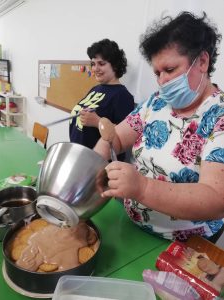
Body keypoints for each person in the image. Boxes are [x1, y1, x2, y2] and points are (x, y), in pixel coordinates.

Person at [94, 11, 224, 242]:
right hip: (132, 226)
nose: (162, 81)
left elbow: (215, 199)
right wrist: (92, 164)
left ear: (202, 61)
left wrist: (142, 188)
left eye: (170, 70)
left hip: (184, 245)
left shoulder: (219, 116)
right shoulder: (157, 102)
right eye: (157, 73)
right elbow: (116, 138)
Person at [69, 38, 134, 161]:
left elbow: (125, 135)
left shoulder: (123, 96)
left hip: (99, 166)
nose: (95, 68)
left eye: (101, 63)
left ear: (115, 65)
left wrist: (97, 121)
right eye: (93, 64)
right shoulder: (96, 88)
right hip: (80, 159)